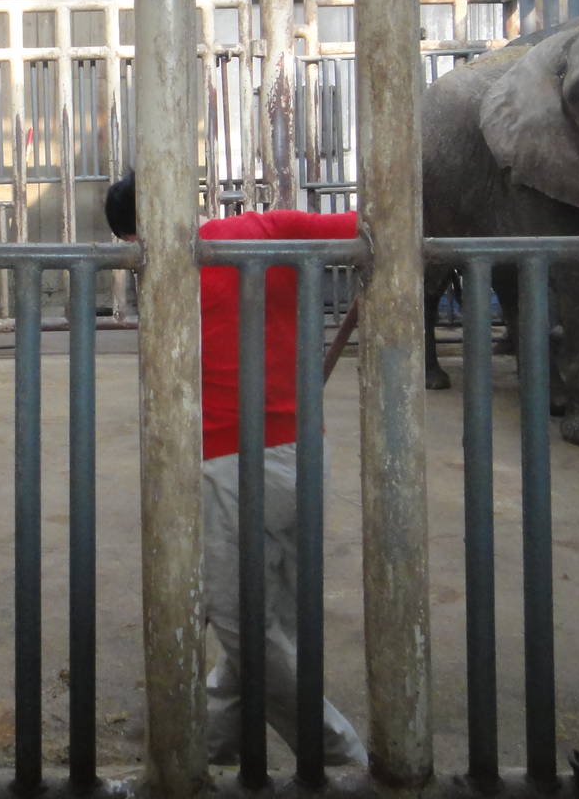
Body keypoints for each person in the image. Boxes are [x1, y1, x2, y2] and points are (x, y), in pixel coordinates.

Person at [104, 170, 368, 769]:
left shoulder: (160, 277)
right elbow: (368, 229)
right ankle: (218, 748)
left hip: (223, 465)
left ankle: (339, 757)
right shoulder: (262, 229)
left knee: (246, 630)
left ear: (128, 235)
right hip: (304, 456)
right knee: (274, 622)